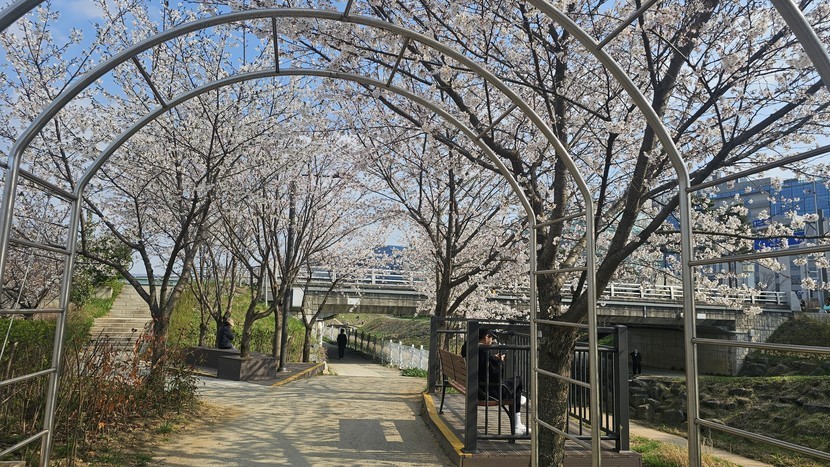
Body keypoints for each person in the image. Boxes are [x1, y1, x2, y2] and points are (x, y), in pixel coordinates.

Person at [463, 328, 528, 435]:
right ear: (486, 337)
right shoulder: (483, 350)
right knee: (518, 381)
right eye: (491, 338)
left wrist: (493, 359)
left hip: (476, 388)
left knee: (515, 386)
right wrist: (500, 362)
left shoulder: (470, 349)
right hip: (488, 392)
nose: (492, 341)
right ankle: (517, 424)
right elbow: (497, 377)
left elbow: (483, 366)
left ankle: (518, 401)